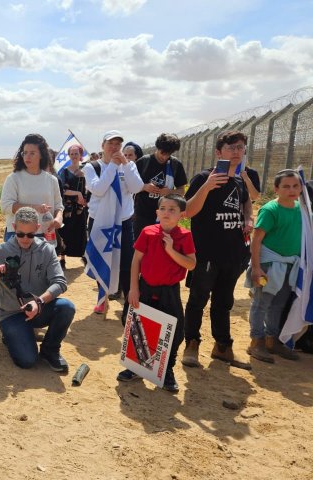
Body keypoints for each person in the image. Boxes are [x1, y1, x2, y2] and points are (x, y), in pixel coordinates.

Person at [0, 207, 75, 371]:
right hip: (11, 314)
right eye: (20, 234)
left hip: (37, 308)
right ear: (14, 228)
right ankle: (12, 335)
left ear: (37, 228)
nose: (25, 239)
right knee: (27, 361)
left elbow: (60, 282)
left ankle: (50, 350)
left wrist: (39, 301)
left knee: (66, 308)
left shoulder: (46, 250)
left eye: (30, 234)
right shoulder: (1, 250)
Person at [181, 130, 253, 370]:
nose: (236, 152)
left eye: (240, 147)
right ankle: (191, 344)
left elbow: (245, 201)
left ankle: (223, 347)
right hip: (207, 253)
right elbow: (188, 211)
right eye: (231, 147)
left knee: (224, 302)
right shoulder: (204, 177)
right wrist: (208, 187)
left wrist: (247, 218)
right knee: (197, 301)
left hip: (233, 254)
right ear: (219, 152)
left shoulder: (240, 180)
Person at [117, 194, 196, 393]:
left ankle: (167, 369)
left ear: (182, 215)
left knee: (174, 331)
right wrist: (133, 288)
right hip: (144, 287)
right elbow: (136, 261)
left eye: (172, 210)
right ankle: (135, 367)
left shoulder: (185, 236)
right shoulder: (148, 232)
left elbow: (191, 264)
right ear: (157, 212)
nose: (167, 213)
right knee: (137, 325)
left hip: (169, 290)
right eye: (163, 208)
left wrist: (170, 250)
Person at [82, 130, 144, 318]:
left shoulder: (129, 165)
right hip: (100, 223)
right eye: (110, 143)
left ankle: (127, 304)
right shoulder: (92, 167)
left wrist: (125, 165)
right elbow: (99, 189)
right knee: (101, 259)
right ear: (103, 146)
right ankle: (103, 299)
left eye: (118, 144)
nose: (114, 147)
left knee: (126, 262)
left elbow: (137, 187)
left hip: (124, 222)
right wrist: (112, 166)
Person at [245, 169, 303, 363]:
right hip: (269, 265)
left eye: (295, 185)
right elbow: (256, 240)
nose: (291, 190)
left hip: (290, 266)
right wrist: (256, 267)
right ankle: (256, 341)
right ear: (276, 189)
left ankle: (272, 340)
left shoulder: (302, 209)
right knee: (262, 303)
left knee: (279, 303)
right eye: (286, 186)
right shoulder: (270, 210)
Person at [0, 133, 64, 243]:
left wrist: (58, 218)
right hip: (18, 236)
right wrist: (34, 208)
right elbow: (6, 206)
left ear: (41, 155)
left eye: (32, 153)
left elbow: (59, 206)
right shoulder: (14, 178)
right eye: (25, 153)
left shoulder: (52, 180)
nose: (27, 157)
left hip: (46, 235)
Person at [132, 134, 188, 238]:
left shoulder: (175, 165)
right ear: (157, 147)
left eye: (169, 154)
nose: (165, 157)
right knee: (140, 249)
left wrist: (169, 192)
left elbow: (181, 190)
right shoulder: (143, 162)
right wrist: (144, 187)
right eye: (163, 153)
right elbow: (131, 186)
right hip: (142, 216)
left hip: (166, 217)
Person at [58, 144, 90, 267]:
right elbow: (63, 190)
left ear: (80, 155)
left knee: (81, 231)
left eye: (76, 153)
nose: (74, 156)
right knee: (65, 231)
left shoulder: (86, 170)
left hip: (81, 208)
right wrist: (77, 194)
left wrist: (85, 198)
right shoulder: (64, 172)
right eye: (72, 154)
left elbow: (90, 188)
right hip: (68, 208)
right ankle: (62, 258)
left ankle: (83, 256)